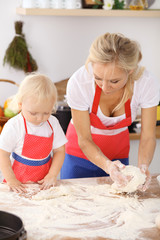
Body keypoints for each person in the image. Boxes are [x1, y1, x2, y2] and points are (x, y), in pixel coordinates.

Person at [60, 32, 159, 191]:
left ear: (131, 70)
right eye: (98, 77)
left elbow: (148, 136)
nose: (105, 87)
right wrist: (107, 165)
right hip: (78, 157)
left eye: (114, 81)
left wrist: (143, 166)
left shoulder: (146, 83)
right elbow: (84, 139)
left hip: (118, 157)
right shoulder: (79, 82)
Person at [0, 73, 67, 193]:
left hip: (44, 183)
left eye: (46, 113)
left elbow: (59, 150)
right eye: (33, 113)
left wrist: (52, 175)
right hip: (19, 183)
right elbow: (3, 154)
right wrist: (11, 180)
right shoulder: (14, 125)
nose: (40, 118)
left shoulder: (53, 123)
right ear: (20, 104)